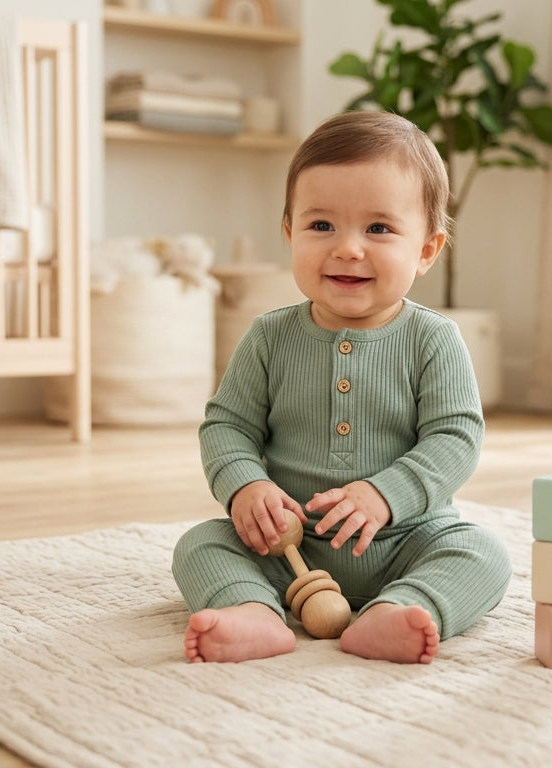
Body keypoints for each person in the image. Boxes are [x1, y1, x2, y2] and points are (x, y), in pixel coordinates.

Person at [171, 110, 511, 664]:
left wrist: (386, 495)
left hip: (407, 541)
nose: (348, 248)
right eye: (321, 225)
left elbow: (456, 438)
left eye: (378, 228)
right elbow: (227, 426)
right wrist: (245, 489)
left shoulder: (434, 339)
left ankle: (398, 610)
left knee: (483, 553)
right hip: (288, 545)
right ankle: (253, 612)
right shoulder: (269, 336)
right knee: (201, 545)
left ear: (426, 249)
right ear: (290, 234)